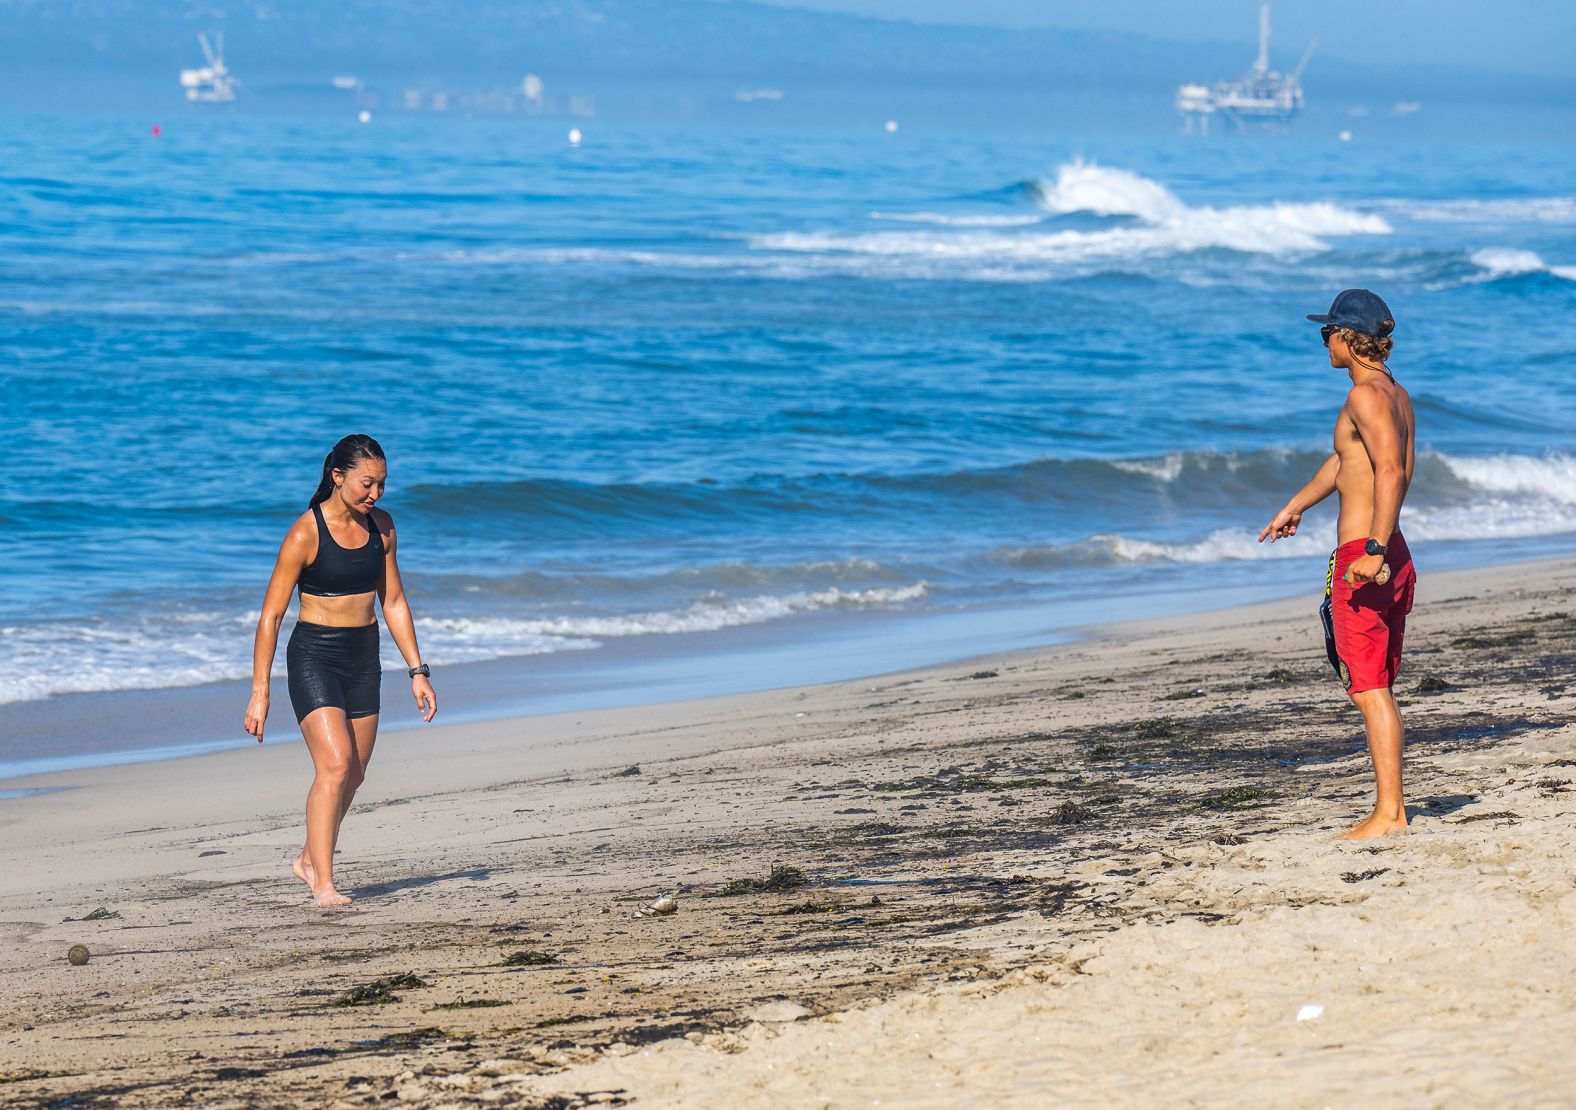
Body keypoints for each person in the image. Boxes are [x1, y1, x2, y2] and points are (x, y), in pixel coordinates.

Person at [244, 434, 437, 905]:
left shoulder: (383, 529)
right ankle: (323, 884)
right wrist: (259, 692)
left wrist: (418, 670)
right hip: (314, 656)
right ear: (338, 477)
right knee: (335, 765)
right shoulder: (305, 533)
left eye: (382, 485)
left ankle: (308, 858)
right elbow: (270, 617)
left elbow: (392, 600)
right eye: (367, 484)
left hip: (362, 656)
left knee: (355, 774)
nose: (376, 494)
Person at [1259, 289, 1417, 839]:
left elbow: (1391, 473)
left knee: (1370, 687)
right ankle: (1390, 808)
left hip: (1368, 556)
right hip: (1390, 553)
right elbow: (1347, 462)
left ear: (1349, 338)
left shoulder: (1365, 398)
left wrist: (1372, 551)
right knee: (1378, 685)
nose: (1321, 340)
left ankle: (1389, 814)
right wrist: (1294, 506)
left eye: (1327, 331)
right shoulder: (1390, 393)